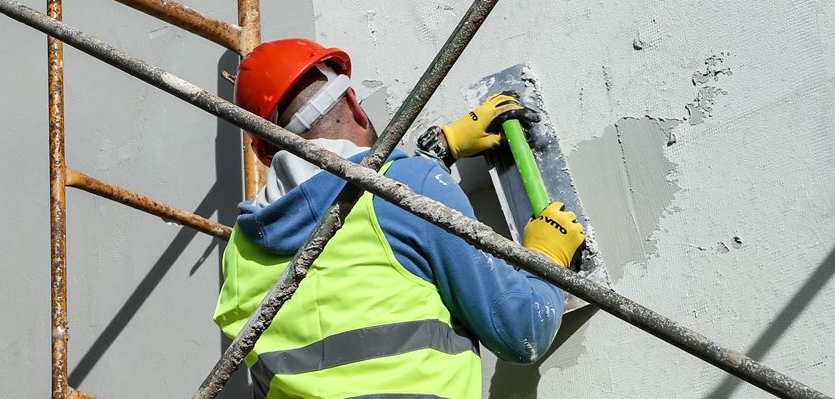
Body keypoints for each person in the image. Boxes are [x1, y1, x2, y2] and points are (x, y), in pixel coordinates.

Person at [214, 38, 586, 398]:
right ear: (354, 106)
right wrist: (545, 257)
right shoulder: (407, 187)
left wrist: (436, 153)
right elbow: (522, 329)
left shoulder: (239, 252)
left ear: (265, 155)